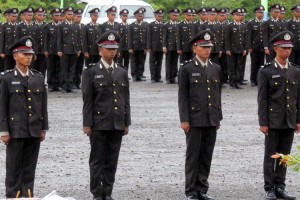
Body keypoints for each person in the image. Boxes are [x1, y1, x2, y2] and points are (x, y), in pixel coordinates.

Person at [82, 30, 131, 200]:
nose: (112, 52)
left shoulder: (121, 72)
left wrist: (126, 122)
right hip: (99, 122)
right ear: (100, 49)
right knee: (97, 160)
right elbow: (87, 100)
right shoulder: (91, 72)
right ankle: (97, 192)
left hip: (117, 123)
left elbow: (126, 99)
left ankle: (107, 191)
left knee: (112, 160)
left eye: (114, 49)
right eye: (108, 49)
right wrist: (87, 124)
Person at [0, 36, 48, 198]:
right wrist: (3, 131)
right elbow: (2, 107)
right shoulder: (6, 78)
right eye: (24, 54)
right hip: (15, 129)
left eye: (30, 54)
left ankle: (27, 195)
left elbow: (43, 106)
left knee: (30, 166)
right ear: (15, 56)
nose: (28, 57)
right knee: (13, 166)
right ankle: (13, 195)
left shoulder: (38, 78)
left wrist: (43, 128)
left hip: (34, 128)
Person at [178, 30, 222, 200]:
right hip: (194, 119)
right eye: (203, 47)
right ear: (195, 48)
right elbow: (183, 96)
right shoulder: (187, 68)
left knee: (206, 155)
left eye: (209, 47)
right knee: (193, 155)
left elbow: (217, 95)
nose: (207, 50)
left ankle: (202, 188)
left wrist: (218, 117)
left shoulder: (215, 68)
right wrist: (184, 119)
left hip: (211, 118)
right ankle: (190, 190)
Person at [257, 30, 299, 200]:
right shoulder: (266, 71)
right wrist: (263, 122)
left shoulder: (296, 71)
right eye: (284, 48)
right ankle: (269, 188)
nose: (287, 51)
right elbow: (263, 100)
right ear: (275, 48)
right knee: (270, 155)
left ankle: (280, 186)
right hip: (273, 120)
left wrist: (298, 120)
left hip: (289, 119)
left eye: (289, 48)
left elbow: (298, 98)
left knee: (284, 157)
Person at [57, 6, 81, 93]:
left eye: (71, 14)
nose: (70, 15)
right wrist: (59, 50)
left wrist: (78, 50)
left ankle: (70, 85)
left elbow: (77, 39)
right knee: (64, 69)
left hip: (74, 50)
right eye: (68, 14)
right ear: (65, 15)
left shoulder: (75, 26)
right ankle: (64, 86)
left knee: (72, 69)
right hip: (64, 50)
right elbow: (59, 39)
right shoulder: (61, 25)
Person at [246, 5, 265, 86]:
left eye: (262, 12)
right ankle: (253, 79)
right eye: (260, 12)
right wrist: (249, 46)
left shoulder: (265, 23)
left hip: (262, 46)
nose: (261, 14)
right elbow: (249, 36)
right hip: (254, 47)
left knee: (261, 64)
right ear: (256, 13)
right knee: (254, 64)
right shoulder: (251, 23)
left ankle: (259, 79)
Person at [44, 8, 61, 92]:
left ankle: (57, 84)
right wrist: (46, 50)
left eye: (58, 15)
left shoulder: (61, 25)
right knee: (50, 68)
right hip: (51, 50)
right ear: (52, 16)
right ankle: (50, 84)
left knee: (59, 68)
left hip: (59, 50)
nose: (57, 17)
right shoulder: (48, 26)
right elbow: (46, 39)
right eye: (56, 15)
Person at [128, 7, 147, 81]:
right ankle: (134, 75)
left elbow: (146, 37)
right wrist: (130, 47)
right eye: (139, 16)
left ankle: (139, 75)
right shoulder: (132, 25)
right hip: (134, 46)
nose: (140, 17)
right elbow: (129, 37)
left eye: (141, 15)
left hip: (142, 47)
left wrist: (146, 47)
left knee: (141, 61)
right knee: (134, 61)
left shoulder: (145, 25)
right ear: (136, 16)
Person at [163, 8, 180, 84]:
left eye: (176, 15)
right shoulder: (166, 25)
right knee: (168, 62)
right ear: (170, 15)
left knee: (175, 62)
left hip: (176, 47)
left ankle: (173, 77)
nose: (175, 17)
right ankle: (168, 78)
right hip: (169, 47)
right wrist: (164, 46)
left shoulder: (178, 25)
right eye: (174, 15)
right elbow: (164, 37)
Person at [147, 8, 164, 83]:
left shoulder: (163, 25)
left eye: (161, 16)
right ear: (155, 16)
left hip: (160, 47)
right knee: (153, 62)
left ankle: (158, 77)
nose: (160, 18)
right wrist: (149, 47)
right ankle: (153, 77)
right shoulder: (151, 25)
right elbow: (149, 36)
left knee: (159, 62)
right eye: (159, 16)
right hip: (153, 47)